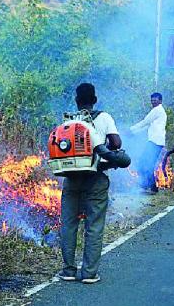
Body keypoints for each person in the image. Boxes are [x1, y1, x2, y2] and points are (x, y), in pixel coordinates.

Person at [58, 83, 122, 284]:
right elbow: (117, 143)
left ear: (77, 102)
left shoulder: (69, 121)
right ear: (94, 100)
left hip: (71, 179)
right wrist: (108, 150)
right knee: (94, 226)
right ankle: (89, 273)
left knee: (69, 225)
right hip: (96, 178)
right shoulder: (104, 117)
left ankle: (68, 270)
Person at [130, 92, 167, 194]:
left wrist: (130, 130)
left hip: (155, 141)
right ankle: (147, 187)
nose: (153, 102)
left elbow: (145, 122)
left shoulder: (157, 110)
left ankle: (151, 188)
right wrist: (133, 132)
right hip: (155, 141)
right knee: (145, 163)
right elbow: (147, 126)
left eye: (155, 100)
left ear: (160, 101)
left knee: (146, 163)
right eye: (152, 100)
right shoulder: (158, 111)